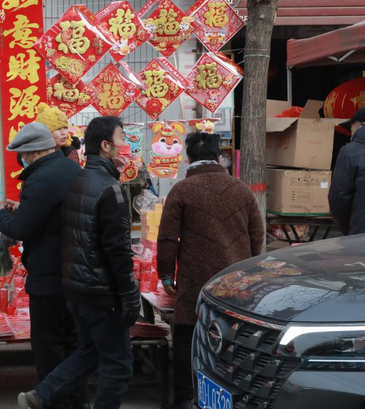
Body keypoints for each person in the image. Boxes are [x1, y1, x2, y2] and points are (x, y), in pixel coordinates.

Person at [17, 116, 140, 409]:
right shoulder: (109, 188)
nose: (126, 145)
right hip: (102, 292)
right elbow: (118, 251)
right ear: (107, 146)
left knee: (87, 352)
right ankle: (42, 396)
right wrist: (128, 294)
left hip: (76, 289)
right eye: (122, 138)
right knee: (118, 365)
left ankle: (40, 396)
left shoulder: (80, 179)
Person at [157, 132, 264, 409]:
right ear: (219, 156)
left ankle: (183, 397)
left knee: (185, 333)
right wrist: (250, 268)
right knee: (232, 336)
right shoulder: (241, 188)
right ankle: (234, 395)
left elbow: (168, 238)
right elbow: (257, 234)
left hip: (195, 278)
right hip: (237, 279)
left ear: (188, 157)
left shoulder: (182, 190)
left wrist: (167, 275)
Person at [0, 122, 89, 409]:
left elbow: (22, 228)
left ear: (32, 153)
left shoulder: (40, 179)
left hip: (49, 276)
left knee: (49, 348)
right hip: (78, 274)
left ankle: (53, 402)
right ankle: (78, 401)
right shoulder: (73, 170)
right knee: (74, 345)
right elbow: (51, 216)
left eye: (22, 156)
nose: (22, 160)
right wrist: (23, 208)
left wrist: (0, 215)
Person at [329, 107, 365, 236]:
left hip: (360, 235)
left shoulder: (350, 151)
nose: (351, 133)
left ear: (362, 125)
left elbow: (339, 197)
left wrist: (348, 228)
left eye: (351, 129)